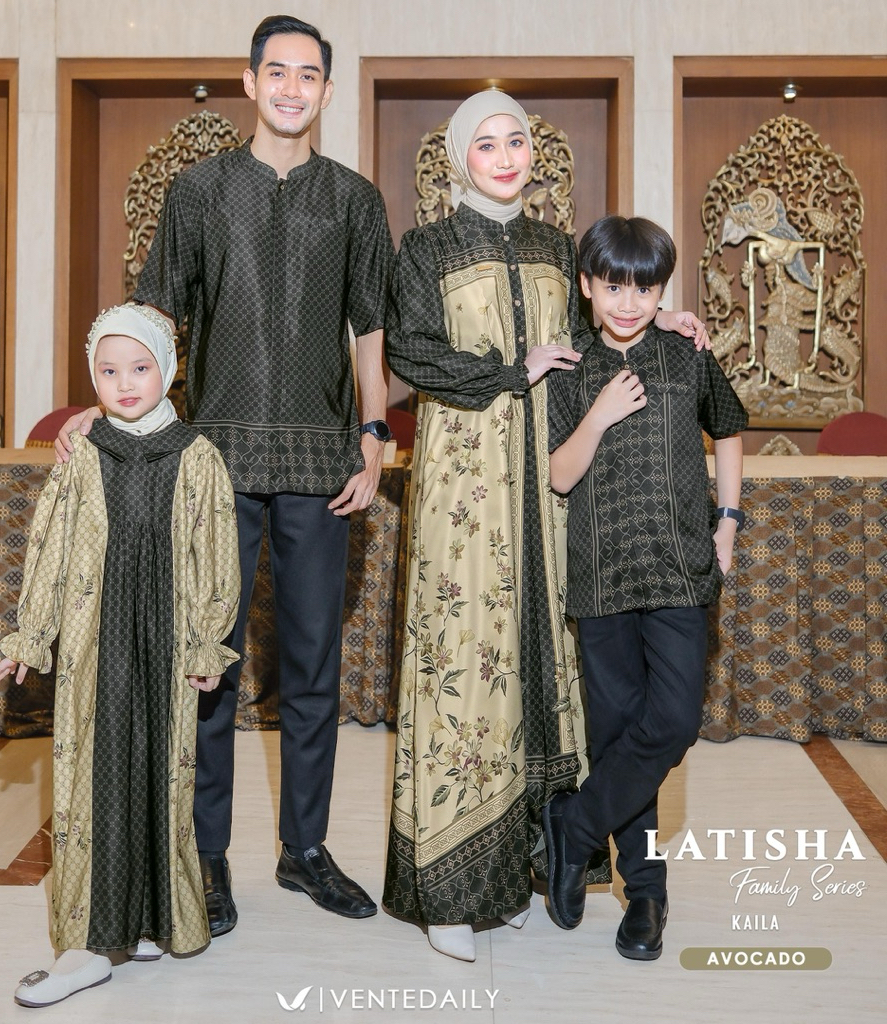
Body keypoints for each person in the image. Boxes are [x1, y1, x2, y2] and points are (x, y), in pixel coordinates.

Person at [55, 15, 394, 930]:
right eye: (276, 71)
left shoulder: (355, 200)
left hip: (322, 462)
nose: (291, 88)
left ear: (327, 91)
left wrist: (373, 434)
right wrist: (107, 401)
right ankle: (204, 857)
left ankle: (305, 851)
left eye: (308, 75)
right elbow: (157, 314)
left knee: (313, 667)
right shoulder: (199, 191)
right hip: (211, 464)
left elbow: (371, 328)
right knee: (209, 664)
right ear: (250, 82)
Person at [381, 90, 711, 962]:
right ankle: (451, 890)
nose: (504, 156)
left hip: (559, 482)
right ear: (459, 157)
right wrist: (508, 369)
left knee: (548, 672)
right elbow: (408, 352)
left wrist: (664, 317)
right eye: (485, 143)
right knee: (466, 659)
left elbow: (606, 323)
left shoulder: (556, 248)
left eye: (516, 140)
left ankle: (528, 862)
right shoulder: (425, 249)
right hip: (467, 485)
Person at [0, 303, 240, 1006]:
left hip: (167, 639)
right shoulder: (83, 454)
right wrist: (32, 634)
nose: (125, 384)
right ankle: (89, 942)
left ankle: (154, 917)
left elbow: (217, 555)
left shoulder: (198, 456)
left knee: (162, 771)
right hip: (94, 640)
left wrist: (206, 640)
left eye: (139, 368)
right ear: (92, 378)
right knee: (96, 774)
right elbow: (50, 547)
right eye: (108, 371)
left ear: (169, 370)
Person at [544, 215, 747, 960]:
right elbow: (559, 475)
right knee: (616, 732)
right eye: (613, 287)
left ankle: (573, 826)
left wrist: (727, 521)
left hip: (680, 568)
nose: (628, 303)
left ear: (663, 291)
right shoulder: (570, 368)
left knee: (673, 721)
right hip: (601, 574)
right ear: (588, 286)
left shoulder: (686, 352)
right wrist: (598, 417)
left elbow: (728, 427)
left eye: (645, 289)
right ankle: (647, 893)